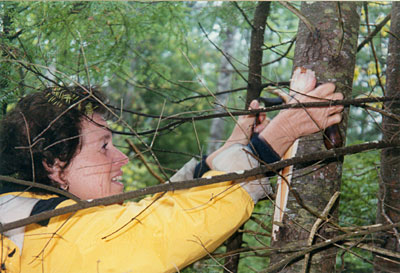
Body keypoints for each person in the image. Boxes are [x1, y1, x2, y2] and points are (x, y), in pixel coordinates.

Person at [0, 68, 343, 272]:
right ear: (53, 164)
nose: (122, 158)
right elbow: (150, 233)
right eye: (103, 146)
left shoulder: (24, 212)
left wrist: (224, 156)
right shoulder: (36, 234)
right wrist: (273, 140)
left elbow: (146, 212)